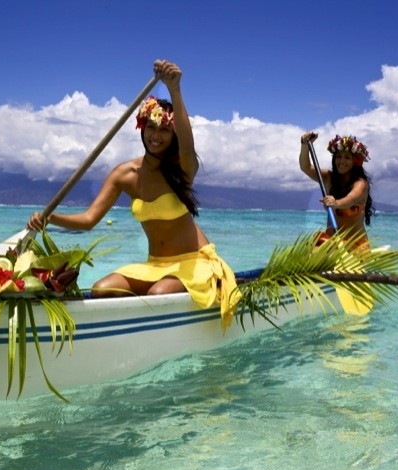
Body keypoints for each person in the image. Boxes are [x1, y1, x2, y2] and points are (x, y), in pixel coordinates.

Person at [27, 59, 240, 326]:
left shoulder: (182, 169)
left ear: (173, 135)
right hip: (155, 265)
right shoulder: (124, 174)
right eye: (152, 127)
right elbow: (89, 219)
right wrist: (49, 218)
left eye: (165, 130)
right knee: (102, 289)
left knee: (158, 293)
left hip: (193, 263)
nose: (157, 135)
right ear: (142, 127)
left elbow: (188, 146)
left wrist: (174, 89)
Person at [298, 132, 375, 251]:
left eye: (347, 157)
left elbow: (351, 199)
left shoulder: (361, 184)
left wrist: (336, 203)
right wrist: (305, 145)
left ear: (355, 161)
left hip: (354, 247)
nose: (342, 161)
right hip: (331, 243)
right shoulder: (328, 178)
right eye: (338, 156)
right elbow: (306, 167)